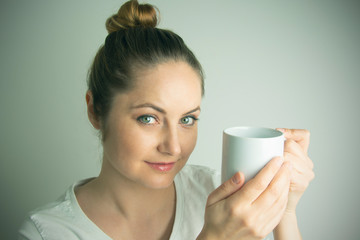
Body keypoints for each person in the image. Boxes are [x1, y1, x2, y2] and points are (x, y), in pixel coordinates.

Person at [18, 1, 315, 239]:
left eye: (187, 119)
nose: (173, 147)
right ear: (95, 110)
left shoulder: (220, 196)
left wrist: (285, 213)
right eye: (148, 118)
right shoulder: (46, 232)